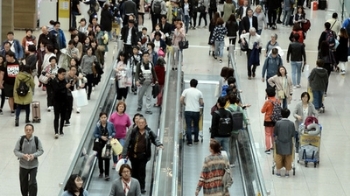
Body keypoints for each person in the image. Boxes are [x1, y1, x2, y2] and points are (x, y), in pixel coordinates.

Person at [122, 117, 163, 194]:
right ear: (137, 124)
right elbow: (127, 142)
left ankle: (142, 187)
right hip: (133, 155)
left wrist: (159, 144)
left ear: (145, 123)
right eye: (139, 123)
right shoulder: (133, 132)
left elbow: (155, 138)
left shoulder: (149, 131)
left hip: (143, 156)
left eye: (142, 123)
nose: (141, 124)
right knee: (134, 171)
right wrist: (124, 154)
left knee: (142, 171)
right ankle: (134, 187)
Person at [13, 124, 44, 196]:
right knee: (23, 183)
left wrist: (34, 155)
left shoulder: (36, 139)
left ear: (33, 131)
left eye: (30, 130)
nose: (28, 131)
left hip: (33, 165)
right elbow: (16, 151)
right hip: (23, 165)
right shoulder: (20, 140)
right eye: (26, 130)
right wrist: (22, 156)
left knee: (32, 182)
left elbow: (41, 150)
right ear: (24, 130)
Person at [180, 79, 204, 146]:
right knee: (196, 126)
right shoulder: (199, 92)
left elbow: (181, 99)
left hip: (188, 110)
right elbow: (201, 102)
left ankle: (189, 141)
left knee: (188, 126)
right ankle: (196, 140)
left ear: (190, 84)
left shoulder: (186, 91)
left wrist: (184, 103)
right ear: (196, 84)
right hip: (196, 111)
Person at [226, 93, 248, 166]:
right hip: (236, 130)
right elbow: (244, 118)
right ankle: (233, 162)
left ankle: (228, 161)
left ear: (228, 101)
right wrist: (247, 123)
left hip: (229, 130)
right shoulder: (239, 108)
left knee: (229, 146)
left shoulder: (227, 109)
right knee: (233, 145)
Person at [93, 112, 116, 180]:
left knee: (107, 158)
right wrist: (101, 136)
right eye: (102, 117)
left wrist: (111, 136)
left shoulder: (110, 124)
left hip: (108, 143)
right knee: (100, 158)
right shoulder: (98, 125)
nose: (103, 119)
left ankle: (107, 174)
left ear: (107, 117)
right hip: (100, 143)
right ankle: (101, 171)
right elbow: (95, 134)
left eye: (104, 117)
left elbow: (114, 132)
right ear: (100, 118)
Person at [210, 96, 233, 162]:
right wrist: (229, 133)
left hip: (217, 136)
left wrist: (212, 137)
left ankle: (217, 164)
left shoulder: (216, 114)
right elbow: (232, 125)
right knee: (226, 151)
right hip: (227, 135)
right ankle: (226, 164)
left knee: (216, 151)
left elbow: (213, 126)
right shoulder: (229, 113)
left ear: (218, 104)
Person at [109, 101, 131, 167]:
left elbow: (129, 125)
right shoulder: (113, 116)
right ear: (117, 107)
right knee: (115, 150)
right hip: (114, 136)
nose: (121, 108)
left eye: (122, 107)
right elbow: (109, 126)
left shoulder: (126, 117)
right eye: (120, 106)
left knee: (121, 149)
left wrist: (129, 134)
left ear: (124, 108)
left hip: (123, 136)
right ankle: (115, 162)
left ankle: (120, 161)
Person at [274, 108, 295, 177]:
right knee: (288, 157)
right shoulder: (291, 124)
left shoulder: (278, 123)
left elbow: (275, 133)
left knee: (279, 157)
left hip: (279, 142)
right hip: (288, 143)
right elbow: (293, 134)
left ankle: (278, 172)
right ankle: (287, 172)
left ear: (281, 114)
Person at [51, 68, 70, 138]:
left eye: (64, 74)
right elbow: (56, 90)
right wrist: (64, 87)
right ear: (58, 74)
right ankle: (56, 131)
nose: (63, 76)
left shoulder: (65, 80)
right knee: (56, 117)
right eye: (62, 74)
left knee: (63, 116)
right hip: (57, 101)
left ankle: (61, 129)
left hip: (64, 101)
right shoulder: (54, 81)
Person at [0, 51, 20, 115]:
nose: (7, 58)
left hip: (17, 83)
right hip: (8, 83)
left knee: (17, 96)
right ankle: (12, 110)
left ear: (12, 57)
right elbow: (2, 74)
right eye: (6, 57)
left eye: (8, 57)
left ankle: (17, 107)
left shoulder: (18, 63)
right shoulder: (5, 64)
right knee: (10, 97)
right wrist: (0, 83)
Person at [261, 87, 280, 154]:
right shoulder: (278, 101)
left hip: (268, 120)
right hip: (276, 120)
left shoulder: (267, 102)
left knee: (267, 134)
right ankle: (274, 147)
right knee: (273, 134)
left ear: (268, 94)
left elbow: (262, 111)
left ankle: (268, 148)